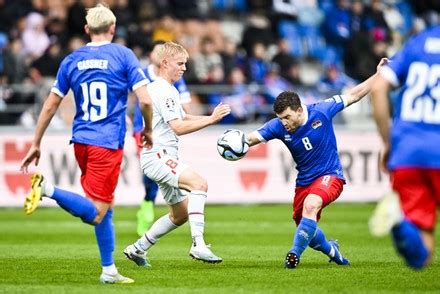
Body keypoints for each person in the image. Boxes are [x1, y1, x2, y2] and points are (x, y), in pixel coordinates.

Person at [19, 4, 153, 284]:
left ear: (86, 30)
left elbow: (51, 104)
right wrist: (148, 130)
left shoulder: (72, 59)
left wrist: (36, 142)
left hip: (81, 139)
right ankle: (47, 188)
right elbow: (146, 100)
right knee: (97, 212)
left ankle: (109, 270)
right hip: (106, 142)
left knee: (105, 205)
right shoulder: (123, 55)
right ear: (113, 28)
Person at [246, 58, 387, 269]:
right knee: (305, 228)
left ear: (299, 111)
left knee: (311, 206)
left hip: (331, 175)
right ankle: (332, 250)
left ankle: (293, 255)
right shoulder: (278, 126)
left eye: (286, 117)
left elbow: (353, 94)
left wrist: (379, 75)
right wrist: (236, 145)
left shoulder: (321, 111)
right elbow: (251, 139)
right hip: (304, 182)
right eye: (280, 118)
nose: (283, 122)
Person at [123, 41, 230, 266]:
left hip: (160, 157)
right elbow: (178, 127)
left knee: (180, 214)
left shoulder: (166, 89)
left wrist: (211, 117)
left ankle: (138, 248)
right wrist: (210, 120)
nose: (183, 68)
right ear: (164, 63)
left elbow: (183, 117)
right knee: (199, 184)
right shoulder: (162, 89)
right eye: (180, 63)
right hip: (158, 156)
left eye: (185, 64)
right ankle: (198, 244)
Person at [370, 25, 440, 269]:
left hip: (408, 152)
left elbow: (378, 88)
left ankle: (401, 224)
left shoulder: (417, 43)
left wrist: (389, 142)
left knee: (422, 258)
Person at [132, 40, 192, 237]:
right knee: (152, 164)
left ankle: (148, 203)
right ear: (154, 57)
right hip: (141, 128)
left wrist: (192, 117)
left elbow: (184, 107)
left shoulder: (175, 81)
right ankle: (148, 203)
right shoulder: (141, 73)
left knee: (159, 168)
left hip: (164, 130)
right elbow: (128, 95)